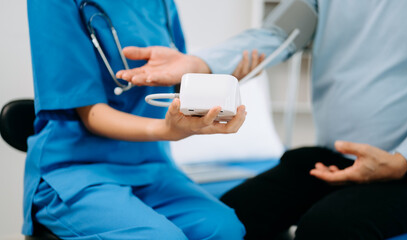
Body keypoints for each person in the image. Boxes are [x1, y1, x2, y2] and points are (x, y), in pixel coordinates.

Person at [116, 0, 407, 239]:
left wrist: (405, 161)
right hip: (334, 159)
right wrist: (199, 63)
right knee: (233, 219)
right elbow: (277, 35)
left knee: (327, 229)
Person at [24, 1, 251, 239]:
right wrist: (166, 129)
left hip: (153, 167)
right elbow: (91, 114)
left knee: (225, 230)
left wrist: (219, 80)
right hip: (77, 170)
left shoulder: (161, 3)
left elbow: (178, 82)